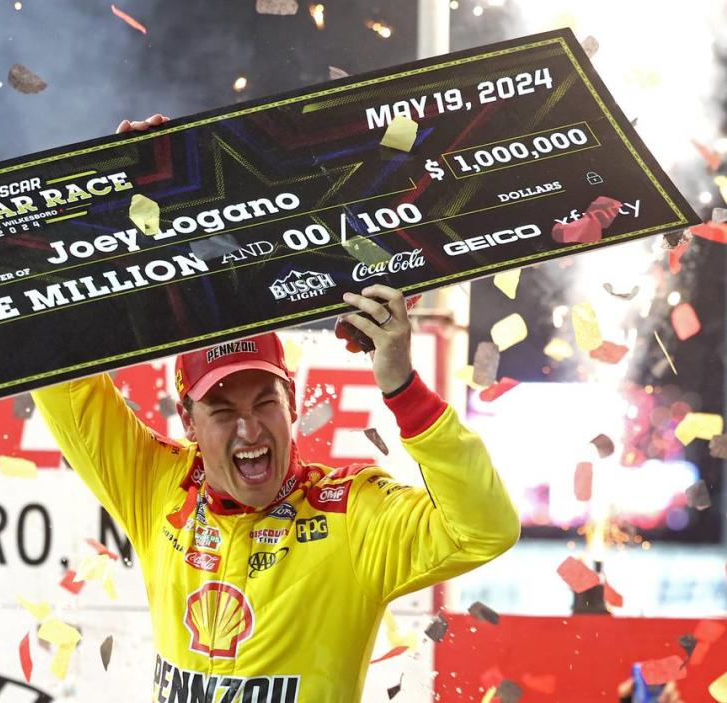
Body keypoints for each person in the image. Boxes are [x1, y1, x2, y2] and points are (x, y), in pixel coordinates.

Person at [31, 114, 520, 702]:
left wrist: (404, 389)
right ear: (187, 421)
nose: (248, 428)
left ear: (293, 403)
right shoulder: (156, 485)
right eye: (220, 409)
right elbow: (60, 373)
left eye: (266, 400)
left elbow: (485, 531)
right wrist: (118, 200)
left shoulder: (351, 516)